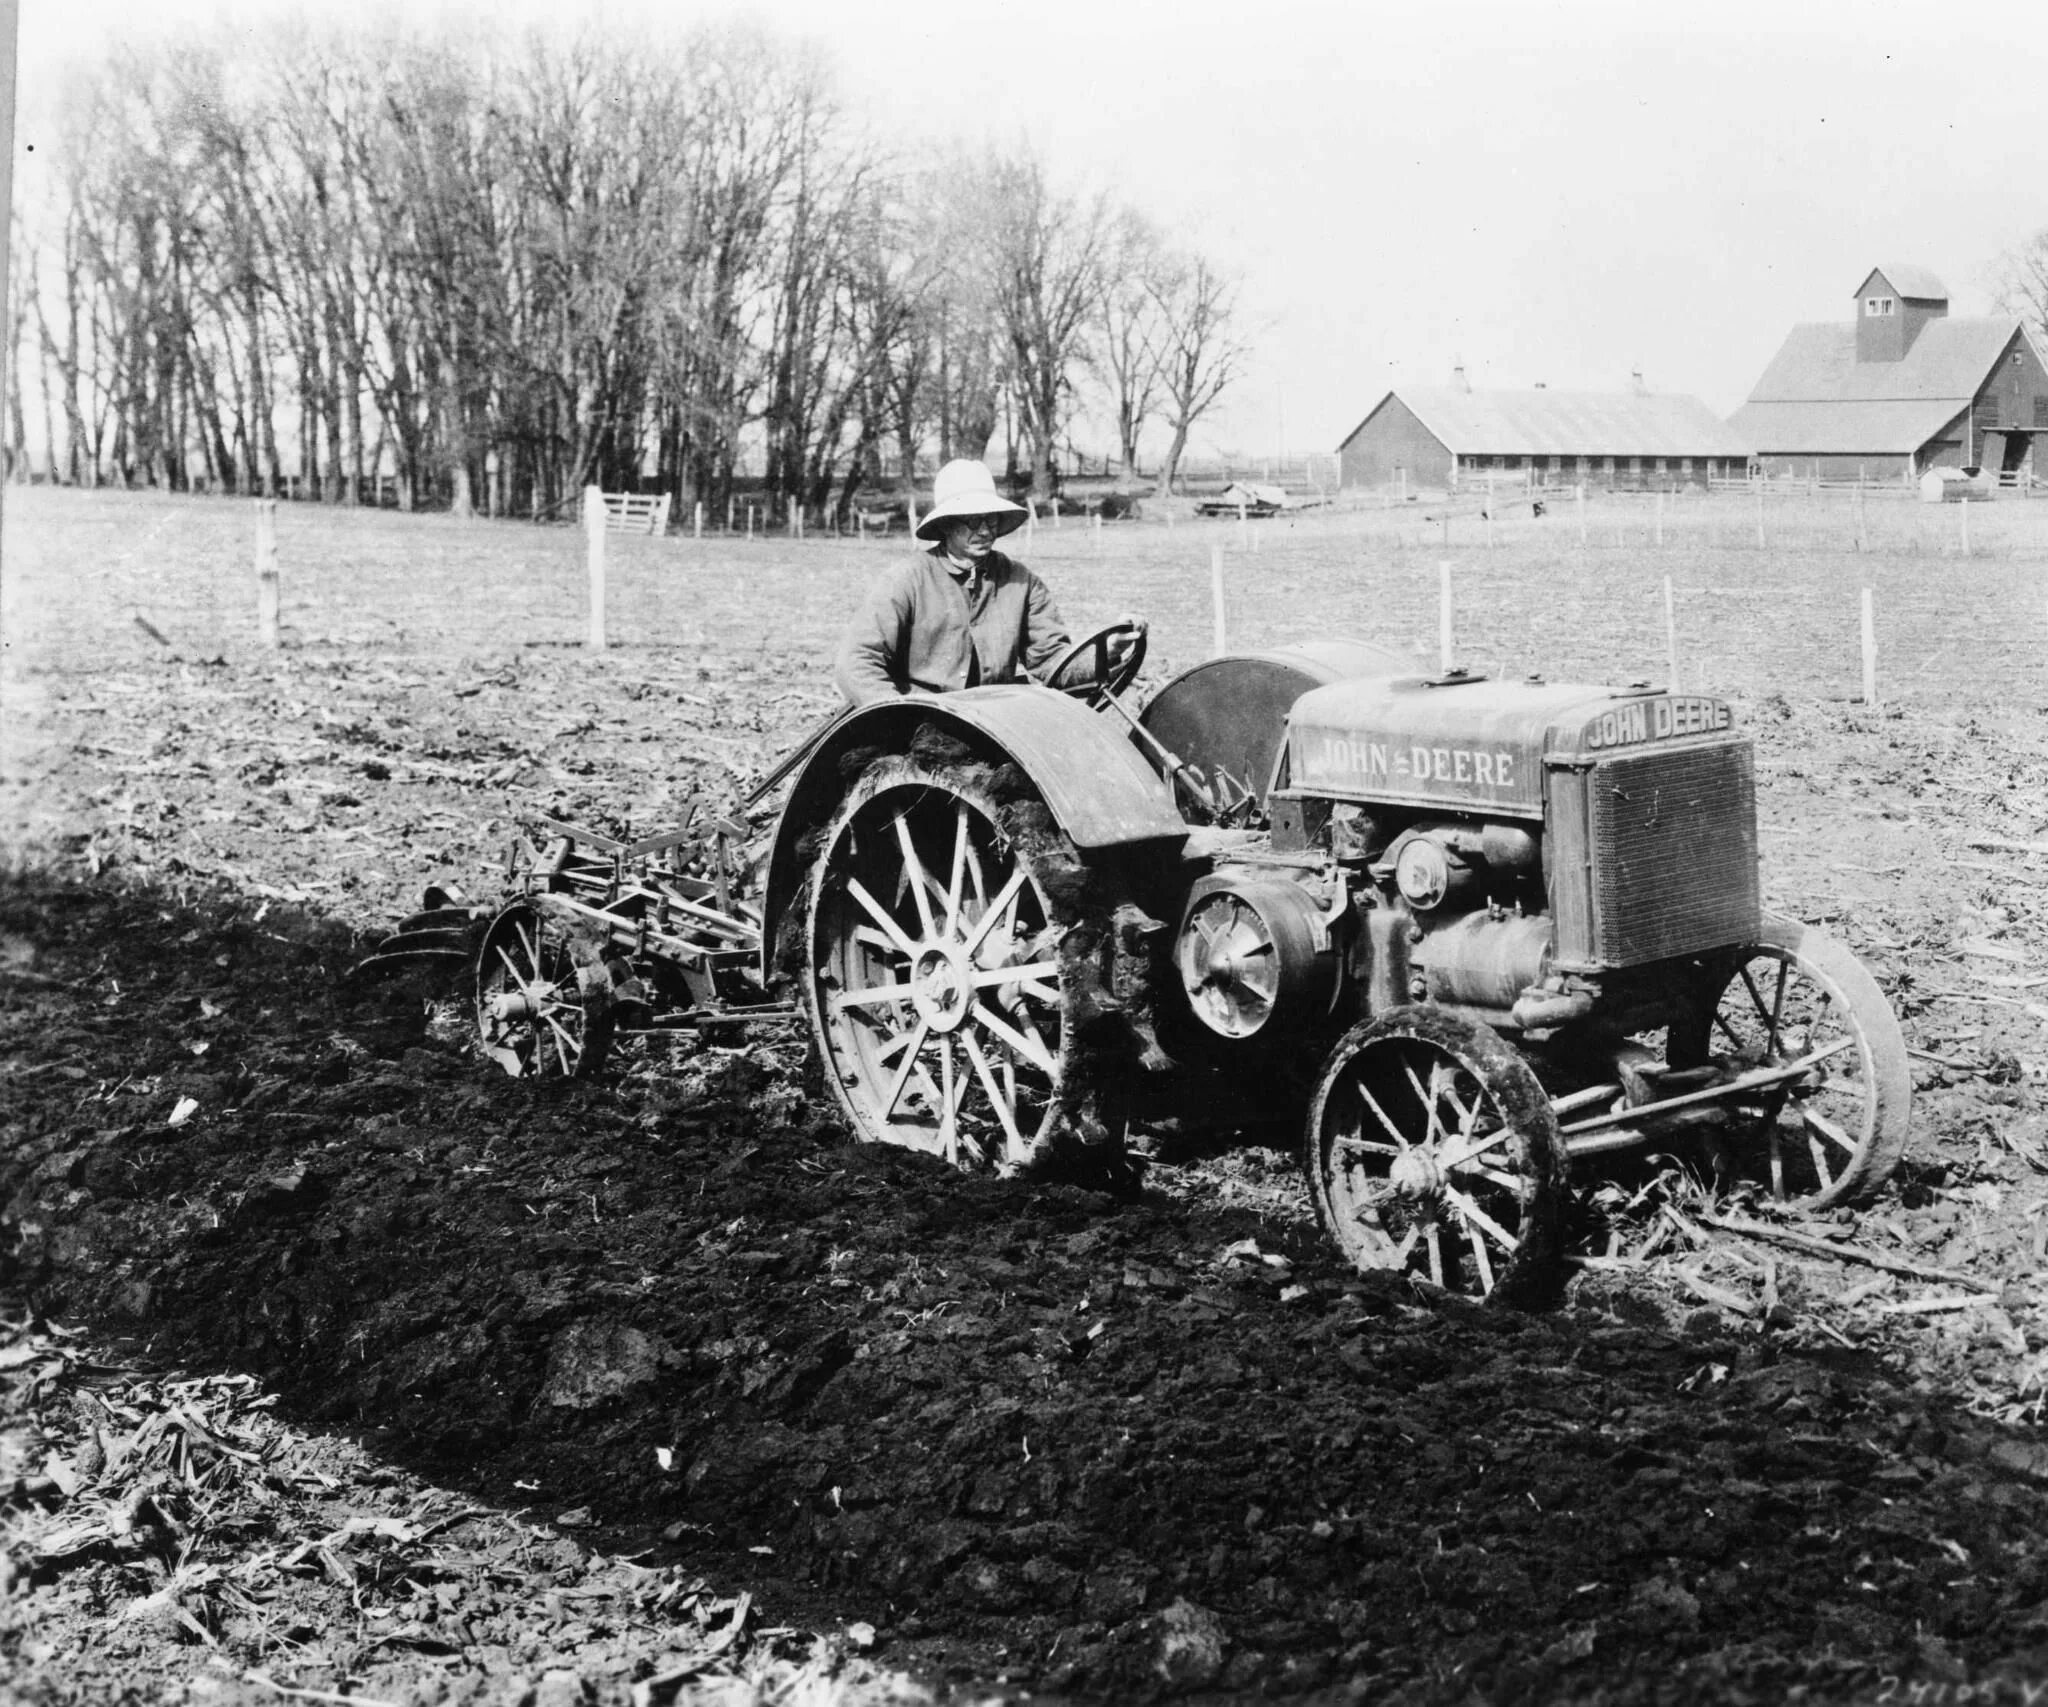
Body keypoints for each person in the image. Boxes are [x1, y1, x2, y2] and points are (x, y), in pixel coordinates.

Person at [834, 459, 1140, 707]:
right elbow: (858, 660)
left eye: (990, 518)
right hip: (921, 721)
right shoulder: (907, 579)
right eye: (971, 519)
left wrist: (1108, 649)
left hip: (994, 722)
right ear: (945, 525)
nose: (984, 530)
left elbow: (1051, 663)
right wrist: (893, 712)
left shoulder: (1021, 582)